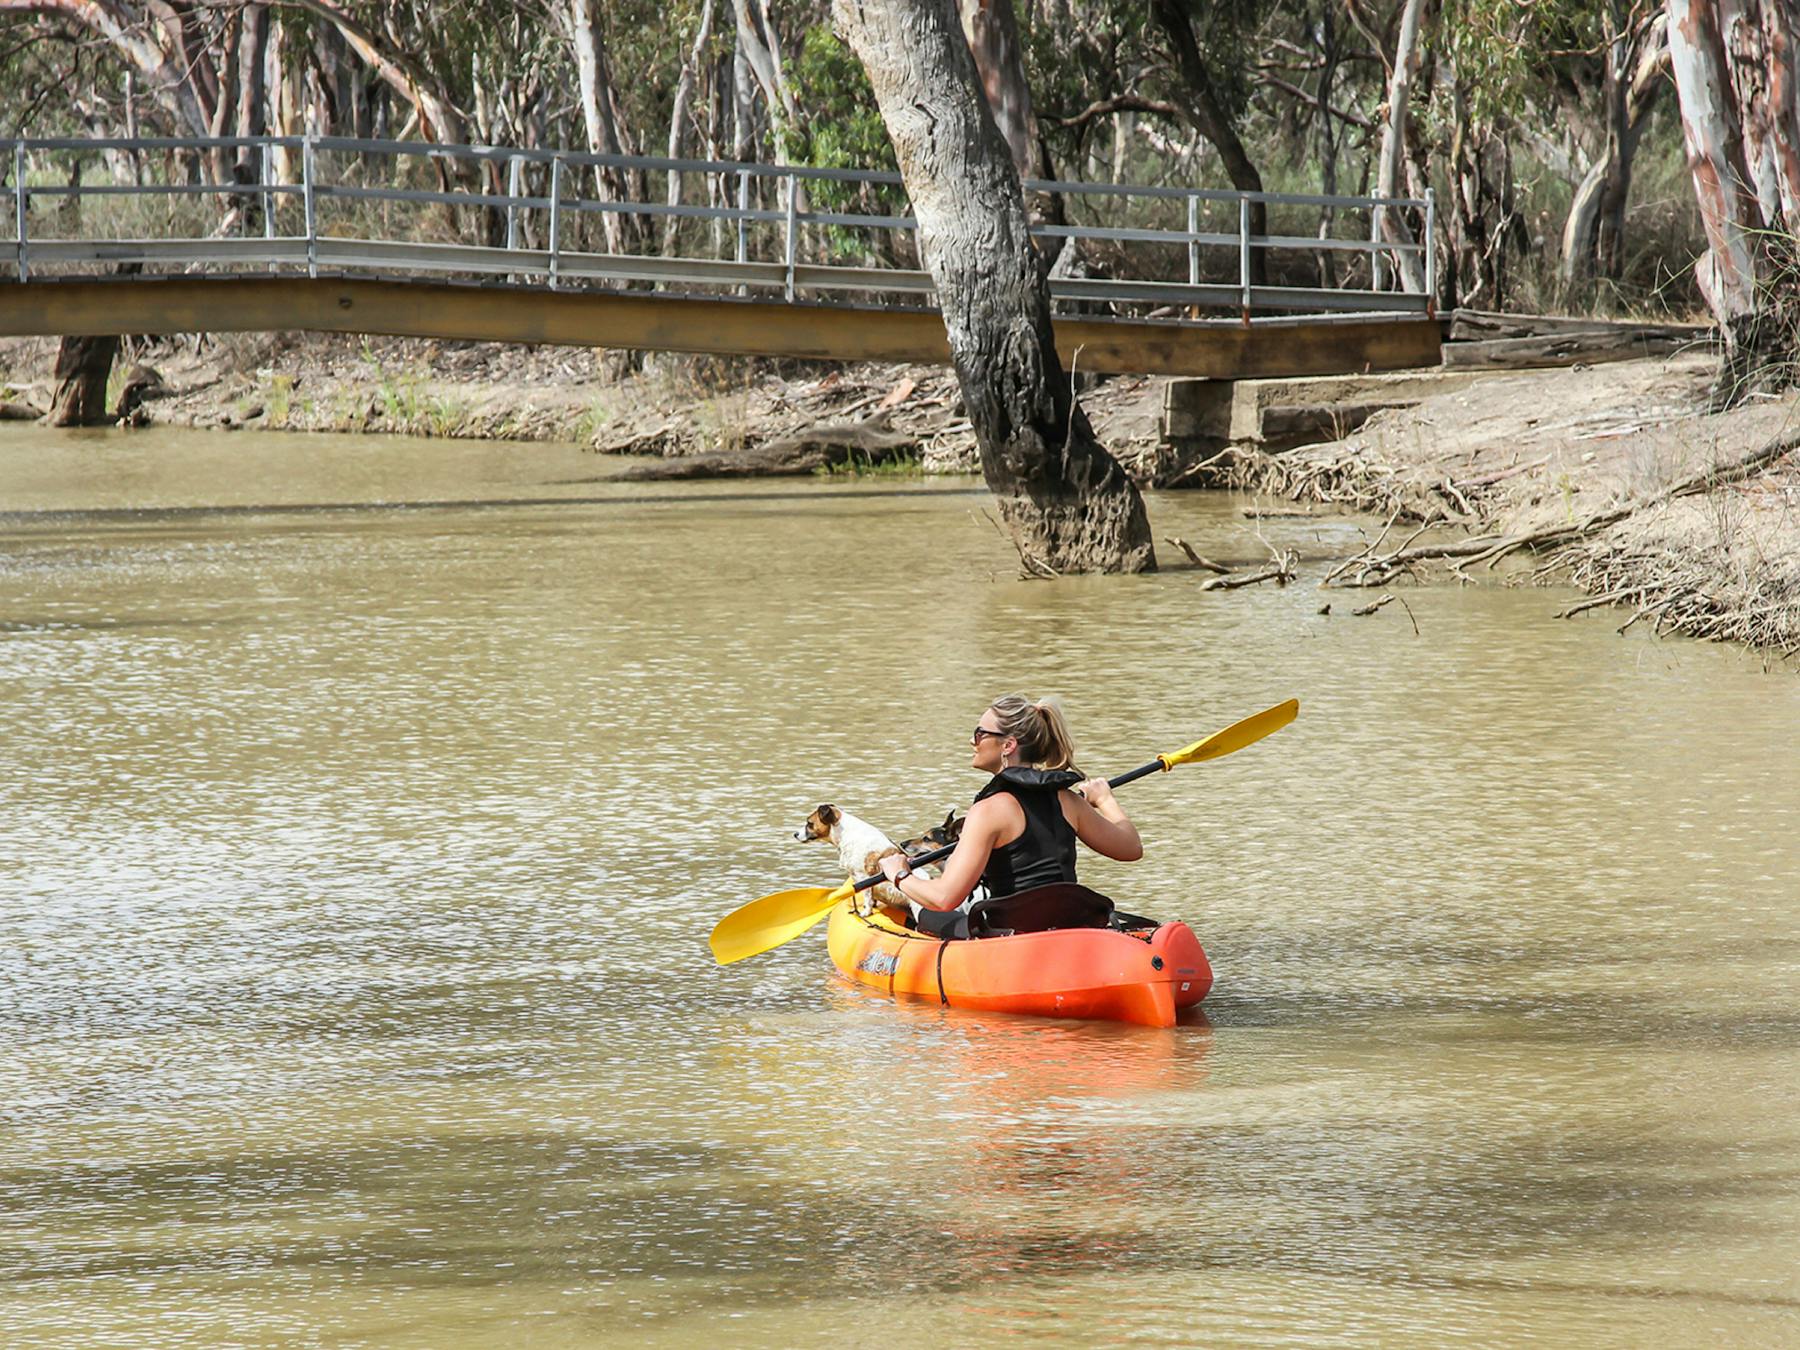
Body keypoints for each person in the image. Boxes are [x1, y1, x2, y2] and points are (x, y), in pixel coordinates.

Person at [878, 695, 1143, 913]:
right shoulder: (1069, 801)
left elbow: (944, 898)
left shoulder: (987, 811)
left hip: (1013, 936)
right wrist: (1105, 799)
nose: (972, 741)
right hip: (1069, 924)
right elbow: (1131, 847)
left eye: (980, 734)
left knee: (926, 916)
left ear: (1008, 745)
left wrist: (899, 875)